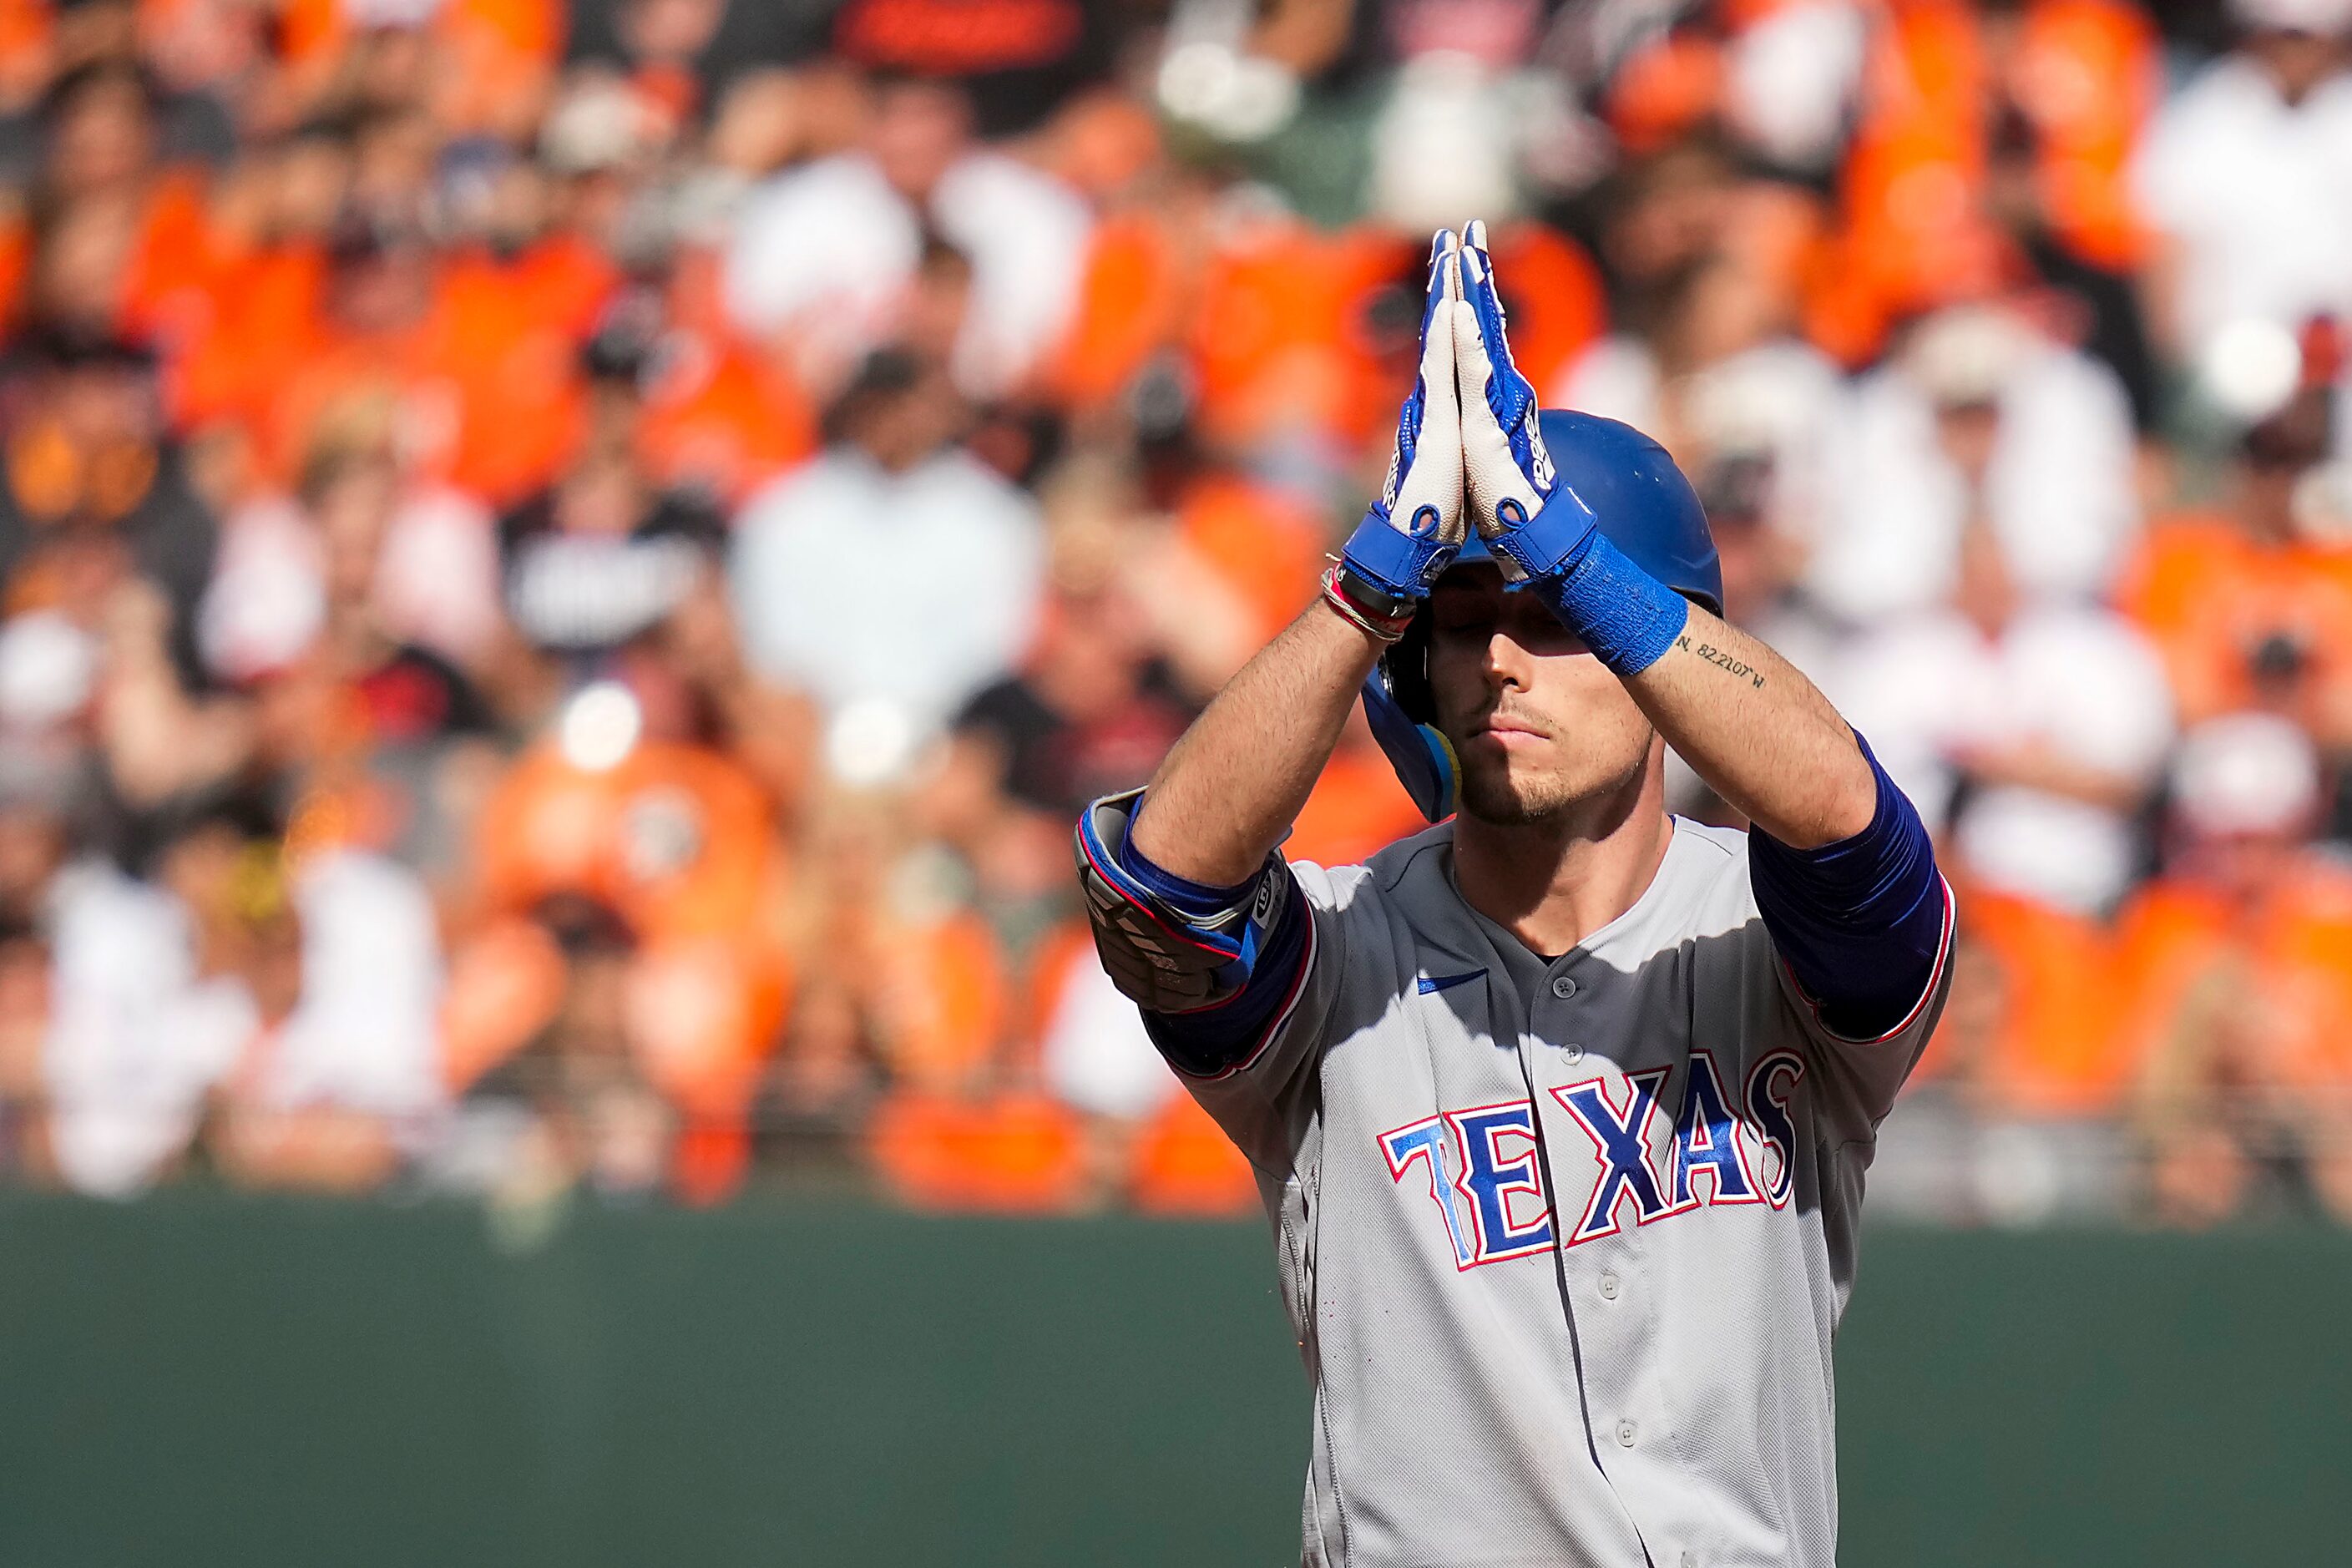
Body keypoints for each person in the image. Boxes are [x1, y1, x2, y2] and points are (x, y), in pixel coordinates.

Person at [1074, 225, 1953, 1567]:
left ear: (1669, 648)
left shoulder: (1767, 935)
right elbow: (1159, 887)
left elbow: (1849, 819)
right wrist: (1376, 576)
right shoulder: (1340, 948)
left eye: (1553, 620)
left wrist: (1578, 557)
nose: (1499, 657)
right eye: (1462, 617)